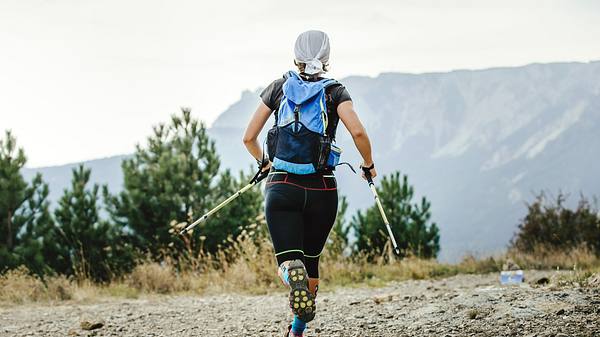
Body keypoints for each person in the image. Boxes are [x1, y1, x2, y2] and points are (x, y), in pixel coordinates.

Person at [242, 30, 376, 337]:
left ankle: (292, 276)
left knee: (290, 261)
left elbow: (248, 137)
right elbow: (358, 132)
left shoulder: (278, 88)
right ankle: (297, 331)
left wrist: (265, 162)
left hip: (282, 186)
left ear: (295, 57)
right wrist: (368, 164)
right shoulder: (335, 91)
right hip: (323, 190)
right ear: (327, 59)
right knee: (311, 263)